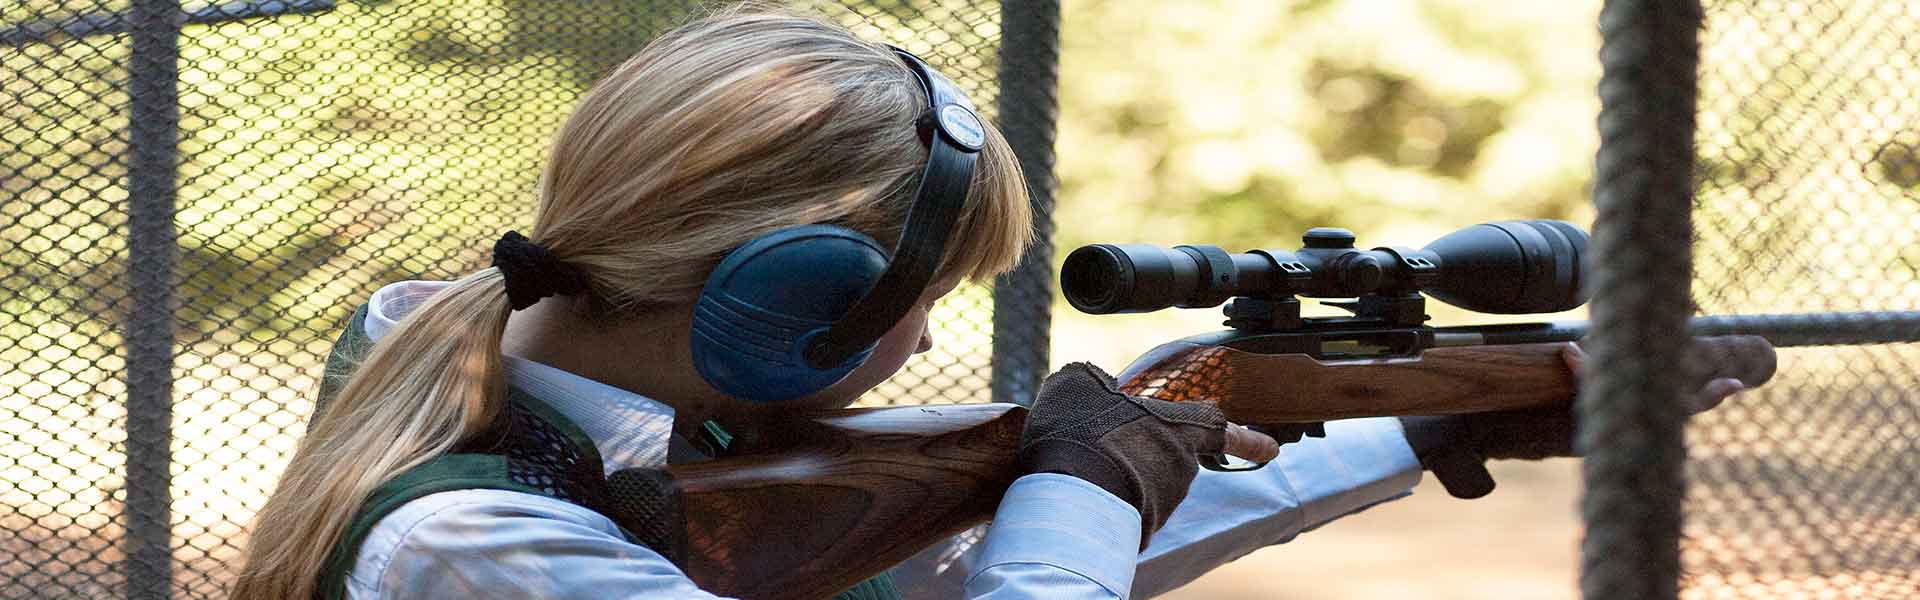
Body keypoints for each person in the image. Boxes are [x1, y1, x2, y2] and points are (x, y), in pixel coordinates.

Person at [230, 7, 1751, 600]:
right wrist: (1079, 482)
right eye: (925, 299)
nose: (935, 344)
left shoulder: (631, 435)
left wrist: (1421, 430)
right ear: (791, 300)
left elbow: (954, 581)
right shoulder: (476, 538)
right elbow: (1030, 568)